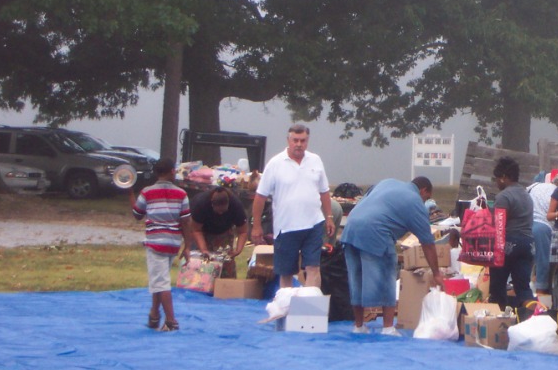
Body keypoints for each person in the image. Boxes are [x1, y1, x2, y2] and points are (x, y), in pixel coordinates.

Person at [340, 176, 445, 335]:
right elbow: (428, 243)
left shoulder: (387, 182)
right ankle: (388, 328)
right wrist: (436, 273)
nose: (425, 202)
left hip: (350, 228)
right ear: (423, 191)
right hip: (377, 232)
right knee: (387, 274)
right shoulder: (415, 201)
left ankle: (359, 326)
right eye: (426, 198)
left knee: (357, 279)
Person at [251, 124, 334, 289]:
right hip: (286, 227)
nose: (299, 144)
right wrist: (256, 226)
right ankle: (286, 302)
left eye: (303, 141)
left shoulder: (315, 160)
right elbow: (260, 196)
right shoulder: (275, 163)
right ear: (288, 140)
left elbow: (324, 191)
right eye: (295, 140)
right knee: (286, 272)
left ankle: (310, 304)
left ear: (307, 141)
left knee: (313, 268)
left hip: (313, 224)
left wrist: (329, 217)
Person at [131, 157, 190, 332]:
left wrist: (129, 193)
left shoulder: (147, 192)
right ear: (172, 171)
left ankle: (171, 321)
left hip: (155, 243)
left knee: (161, 283)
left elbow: (137, 214)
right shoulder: (181, 194)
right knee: (159, 279)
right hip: (173, 243)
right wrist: (187, 246)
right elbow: (186, 221)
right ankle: (154, 315)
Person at [489, 156, 535, 314]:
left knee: (498, 288)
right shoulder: (526, 195)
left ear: (503, 177)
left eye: (497, 178)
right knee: (523, 289)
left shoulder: (504, 196)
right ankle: (535, 317)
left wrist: (495, 252)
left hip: (509, 243)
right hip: (528, 244)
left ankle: (499, 320)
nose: (497, 183)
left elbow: (498, 226)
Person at [187, 186, 248, 278]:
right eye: (218, 211)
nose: (220, 213)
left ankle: (227, 284)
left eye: (223, 211)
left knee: (226, 264)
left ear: (228, 204)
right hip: (202, 231)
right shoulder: (201, 204)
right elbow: (196, 230)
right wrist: (204, 249)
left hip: (224, 231)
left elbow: (243, 231)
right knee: (202, 264)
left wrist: (238, 250)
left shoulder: (236, 205)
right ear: (212, 204)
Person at [527, 178, 557, 295]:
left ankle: (521, 289)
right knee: (542, 260)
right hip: (543, 226)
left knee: (526, 260)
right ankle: (541, 291)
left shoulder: (535, 186)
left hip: (527, 224)